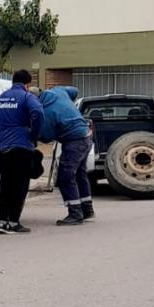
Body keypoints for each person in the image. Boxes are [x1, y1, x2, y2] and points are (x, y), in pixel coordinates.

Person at [0, 69, 44, 234]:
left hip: (3, 148)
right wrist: (33, 134)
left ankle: (1, 222)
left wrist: (5, 129)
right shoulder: (27, 97)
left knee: (5, 185)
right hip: (22, 147)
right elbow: (38, 113)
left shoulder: (1, 98)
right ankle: (13, 222)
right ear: (27, 85)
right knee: (20, 186)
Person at [38, 86, 94, 225]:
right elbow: (75, 91)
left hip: (74, 141)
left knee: (65, 176)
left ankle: (75, 213)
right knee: (80, 174)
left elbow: (46, 137)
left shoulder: (45, 112)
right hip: (86, 134)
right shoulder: (58, 92)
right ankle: (87, 209)